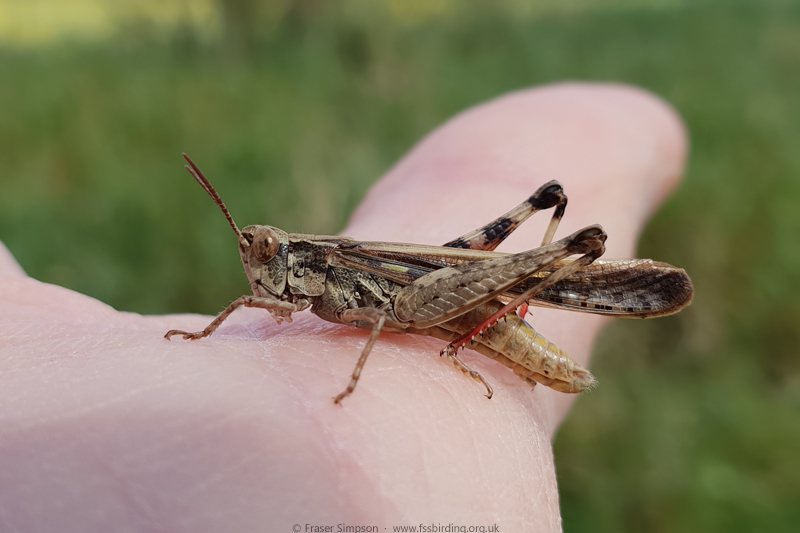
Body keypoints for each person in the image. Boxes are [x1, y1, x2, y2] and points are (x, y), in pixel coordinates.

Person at [0, 83, 686, 532]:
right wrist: (201, 336)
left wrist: (359, 380)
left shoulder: (332, 271)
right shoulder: (280, 289)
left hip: (426, 295)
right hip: (423, 296)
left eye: (264, 248)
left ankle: (499, 307)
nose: (257, 263)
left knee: (515, 240)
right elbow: (261, 304)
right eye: (256, 251)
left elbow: (387, 312)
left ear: (291, 252)